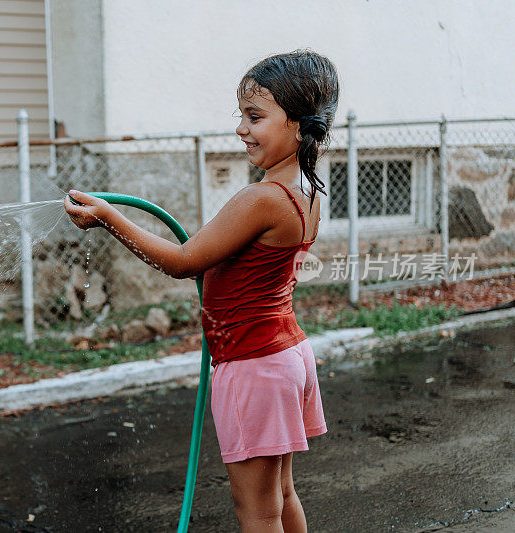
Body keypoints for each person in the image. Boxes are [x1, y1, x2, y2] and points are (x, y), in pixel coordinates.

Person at [64, 49, 338, 532]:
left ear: (297, 126)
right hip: (287, 354)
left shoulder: (262, 198)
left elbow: (183, 261)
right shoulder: (307, 193)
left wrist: (109, 217)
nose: (241, 129)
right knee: (281, 495)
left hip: (254, 365)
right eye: (242, 116)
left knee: (256, 511)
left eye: (255, 117)